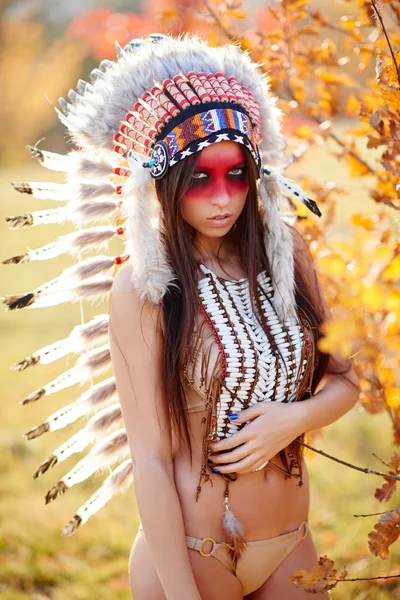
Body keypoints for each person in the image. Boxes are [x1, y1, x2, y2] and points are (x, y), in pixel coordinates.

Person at [4, 33, 360, 600]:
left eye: (236, 175)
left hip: (292, 542)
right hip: (194, 555)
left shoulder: (285, 251)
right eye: (200, 179)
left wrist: (294, 420)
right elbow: (148, 457)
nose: (223, 198)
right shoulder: (145, 286)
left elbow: (347, 380)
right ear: (166, 184)